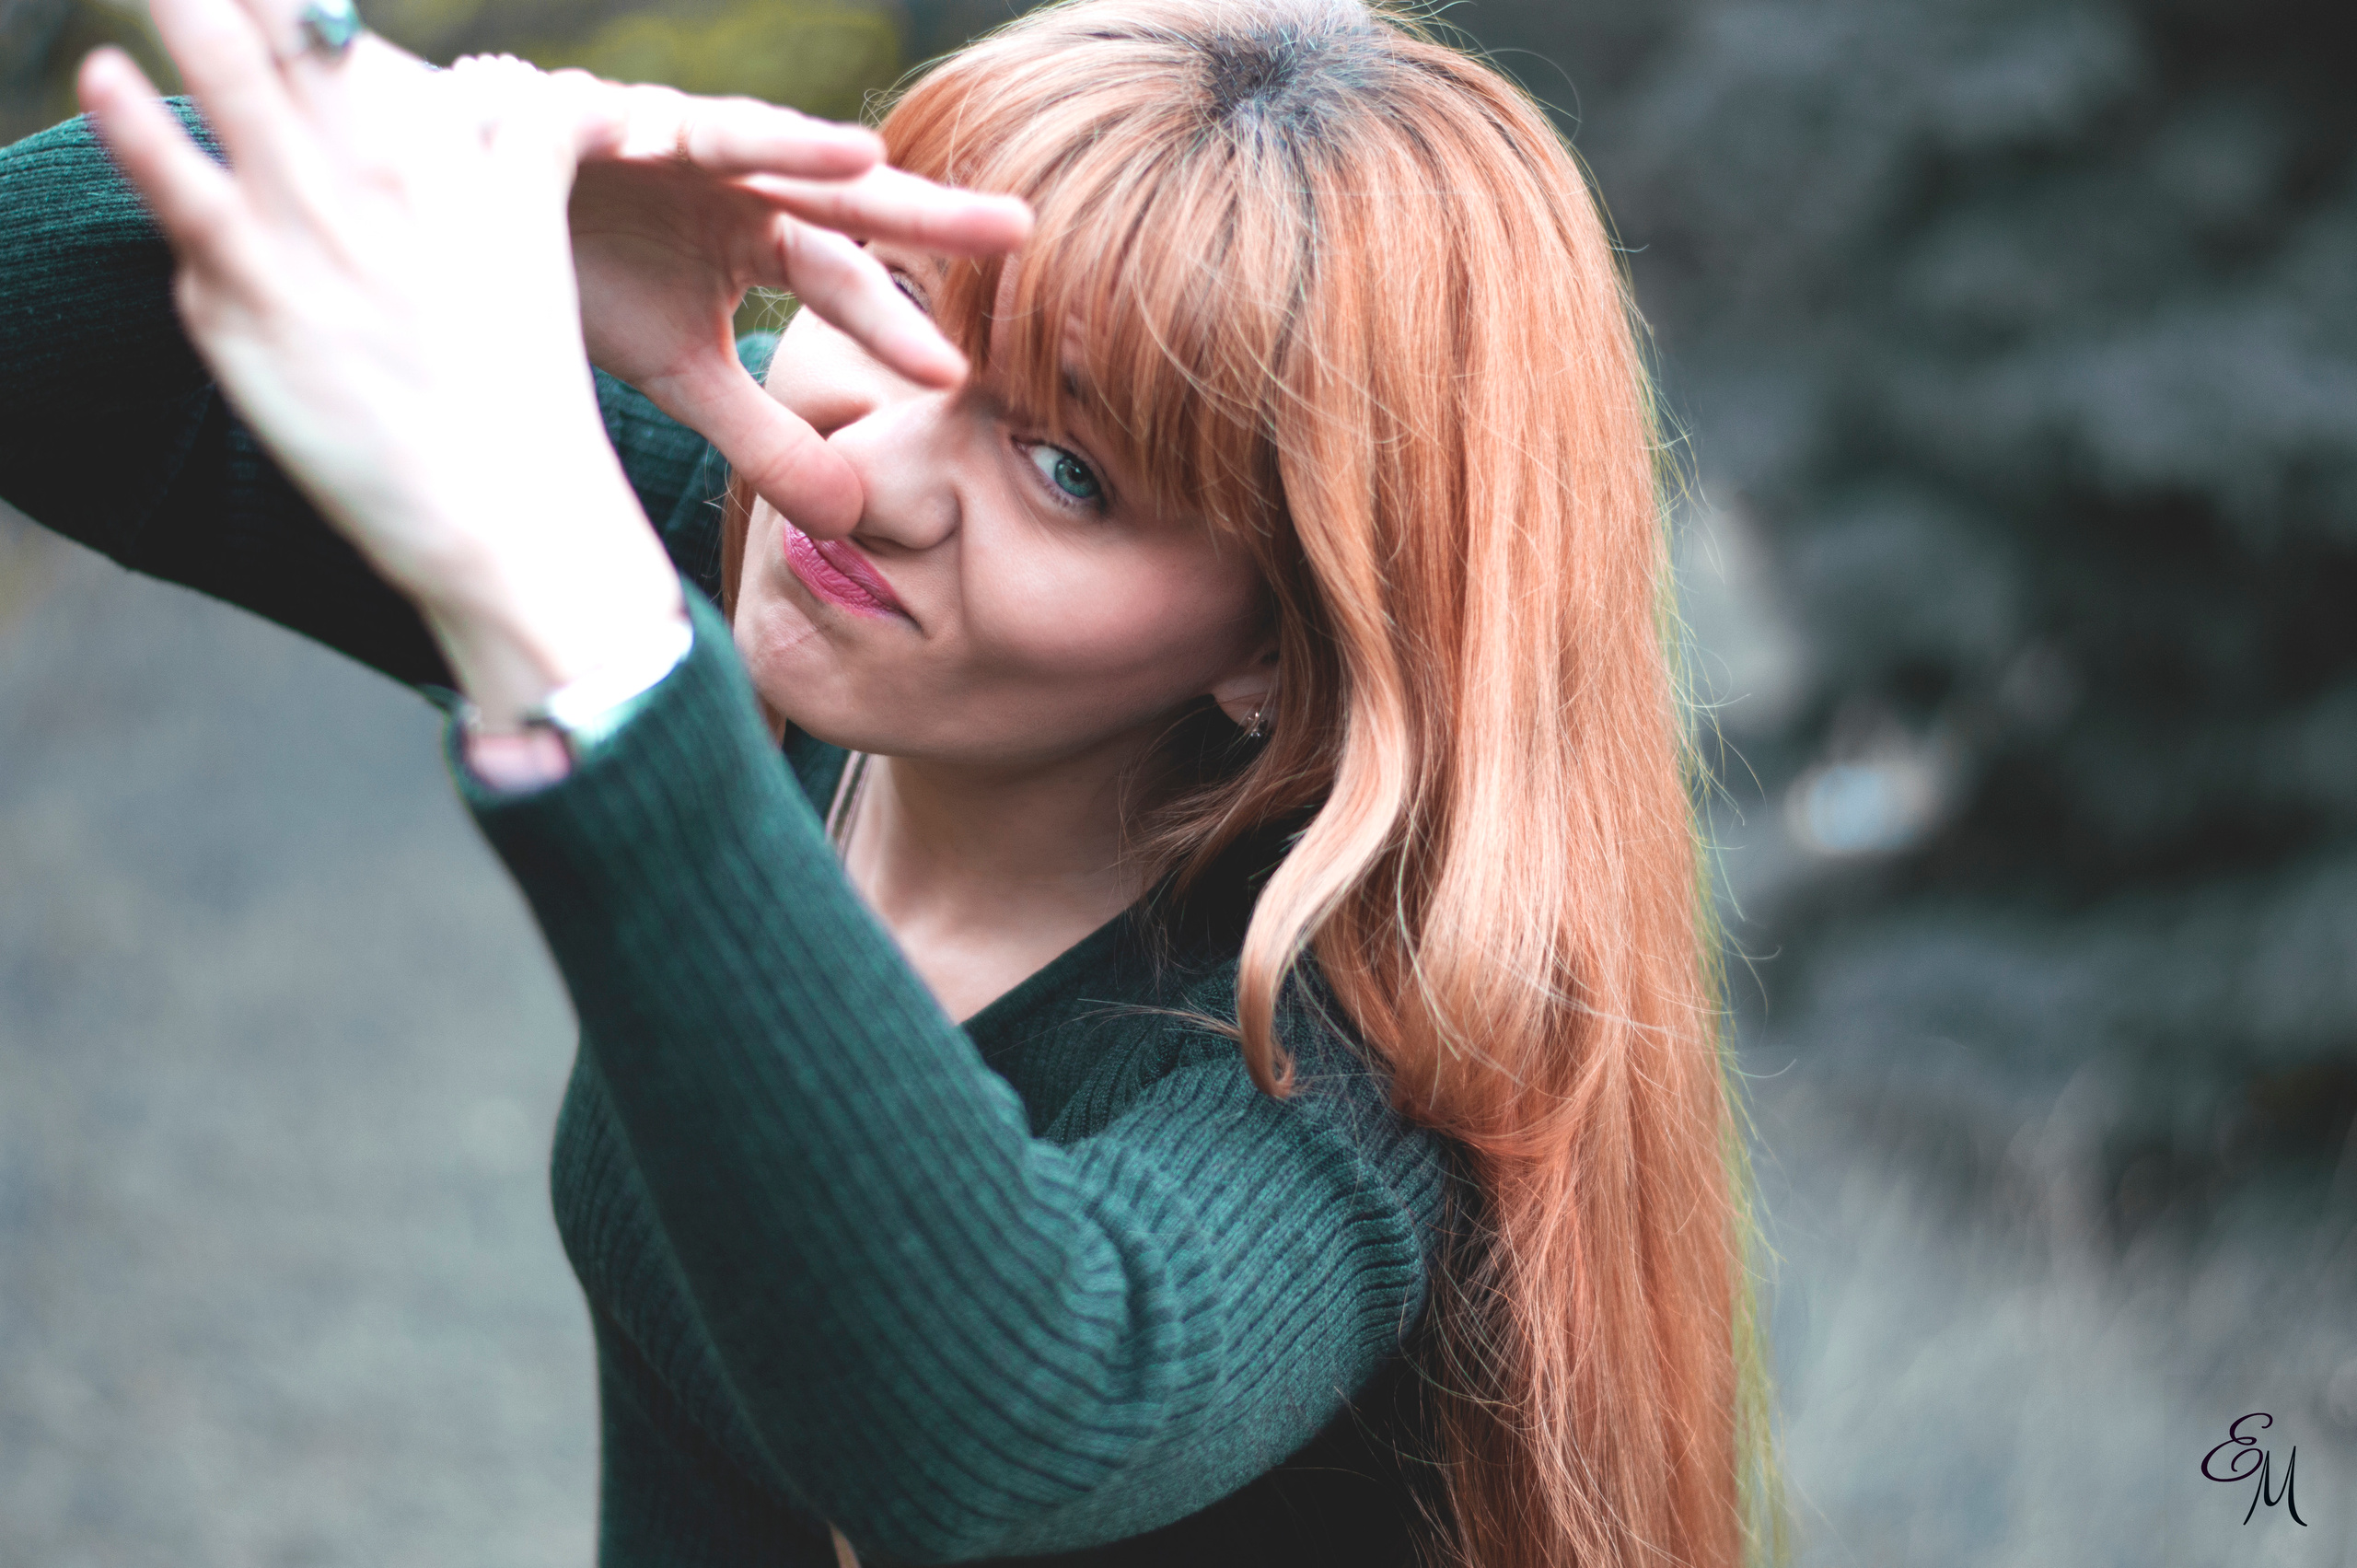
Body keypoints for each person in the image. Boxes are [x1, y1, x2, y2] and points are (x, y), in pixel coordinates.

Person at [0, 0, 1787, 1562]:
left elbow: (996, 1413)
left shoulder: (1345, 1056)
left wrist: (584, 635)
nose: (868, 473)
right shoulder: (790, 564)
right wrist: (468, 186)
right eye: (909, 314)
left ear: (1276, 647)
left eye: (1069, 471)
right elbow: (44, 352)